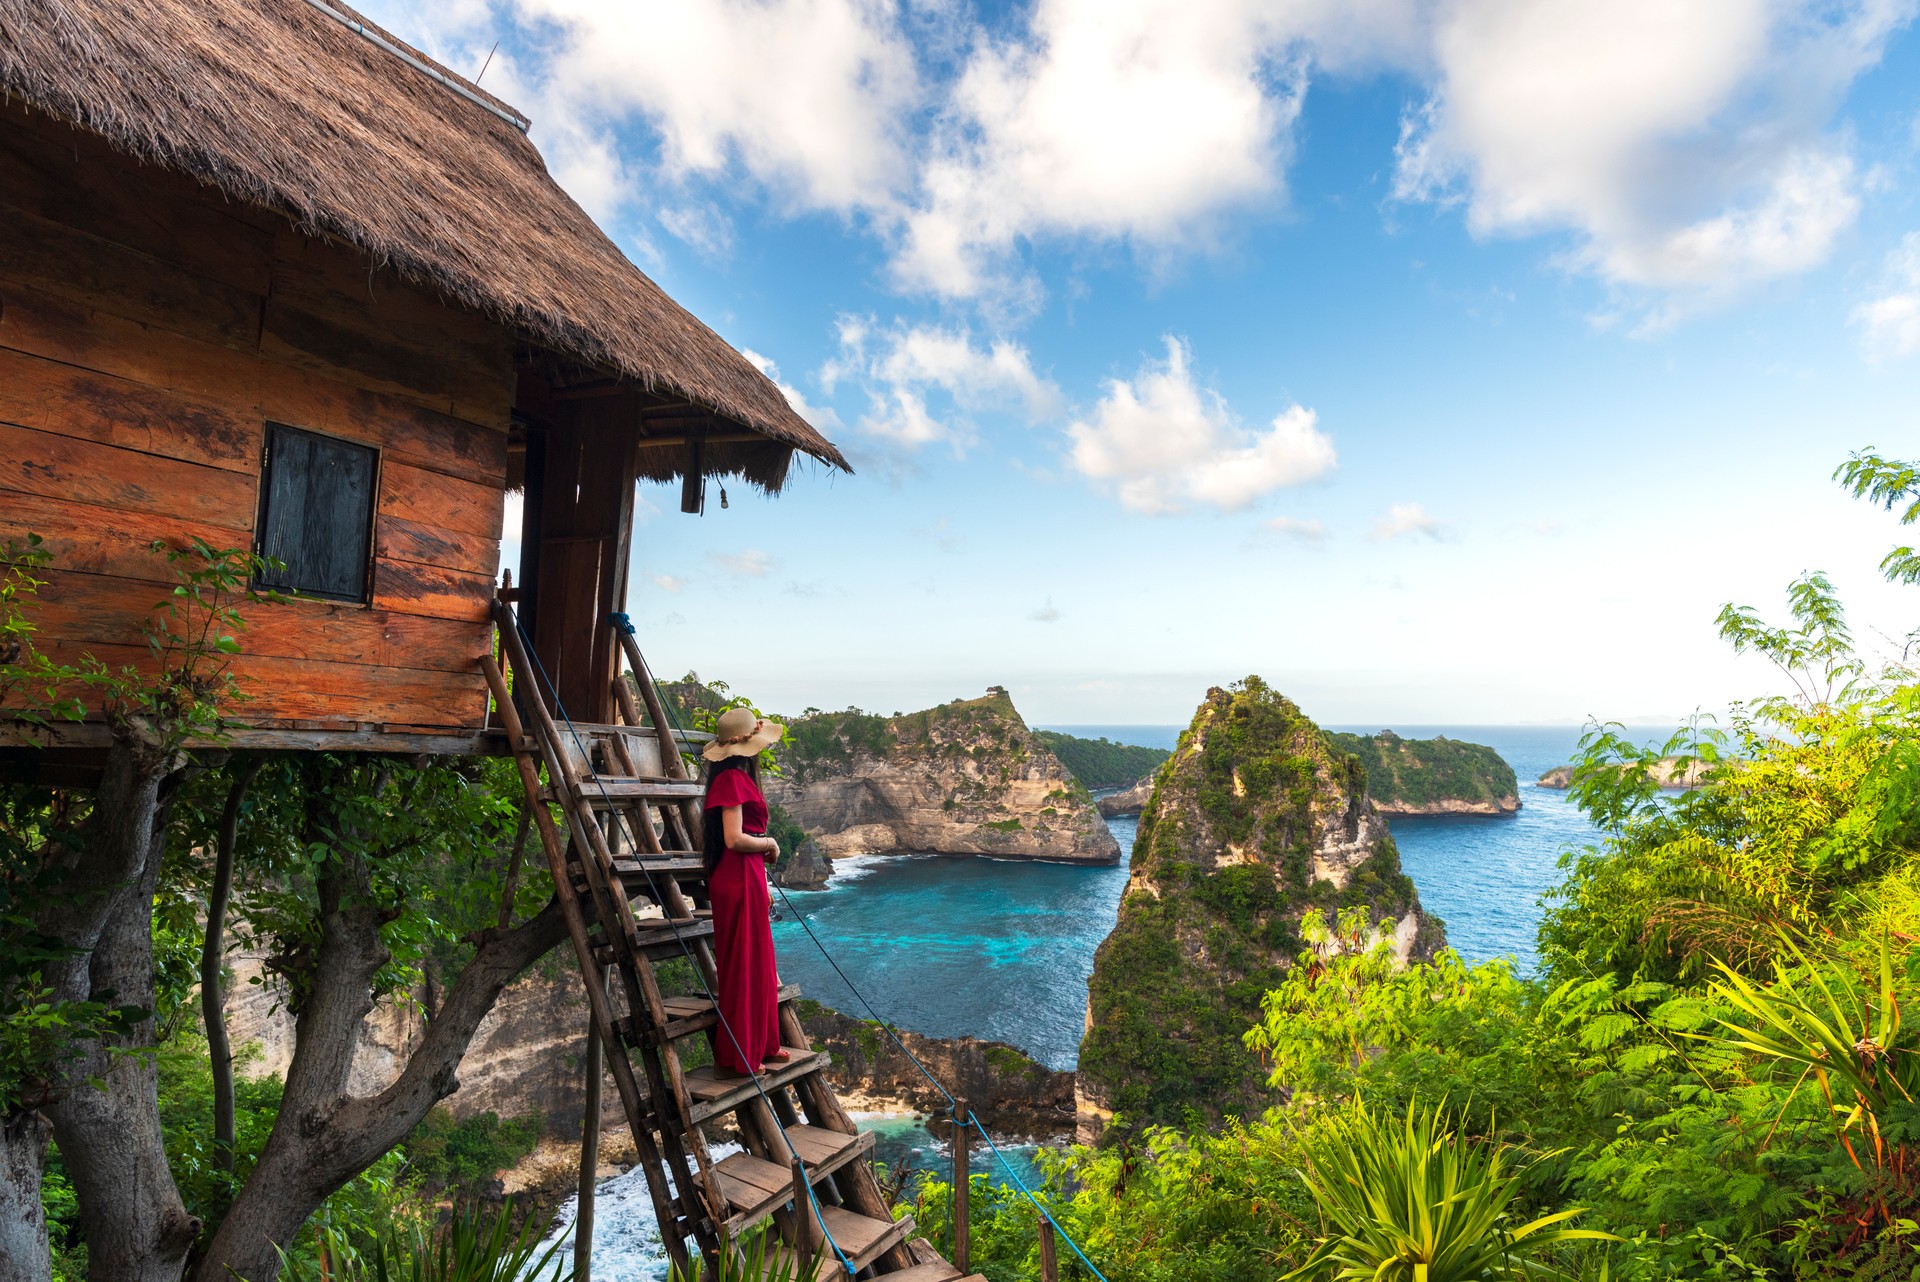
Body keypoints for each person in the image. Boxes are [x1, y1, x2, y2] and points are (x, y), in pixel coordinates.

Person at [700, 706, 788, 1078]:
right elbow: (734, 839)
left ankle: (763, 1044)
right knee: (742, 965)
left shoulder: (737, 777)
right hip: (737, 877)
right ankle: (742, 1055)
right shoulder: (732, 781)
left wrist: (764, 884)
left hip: (748, 877)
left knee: (758, 961)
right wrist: (769, 842)